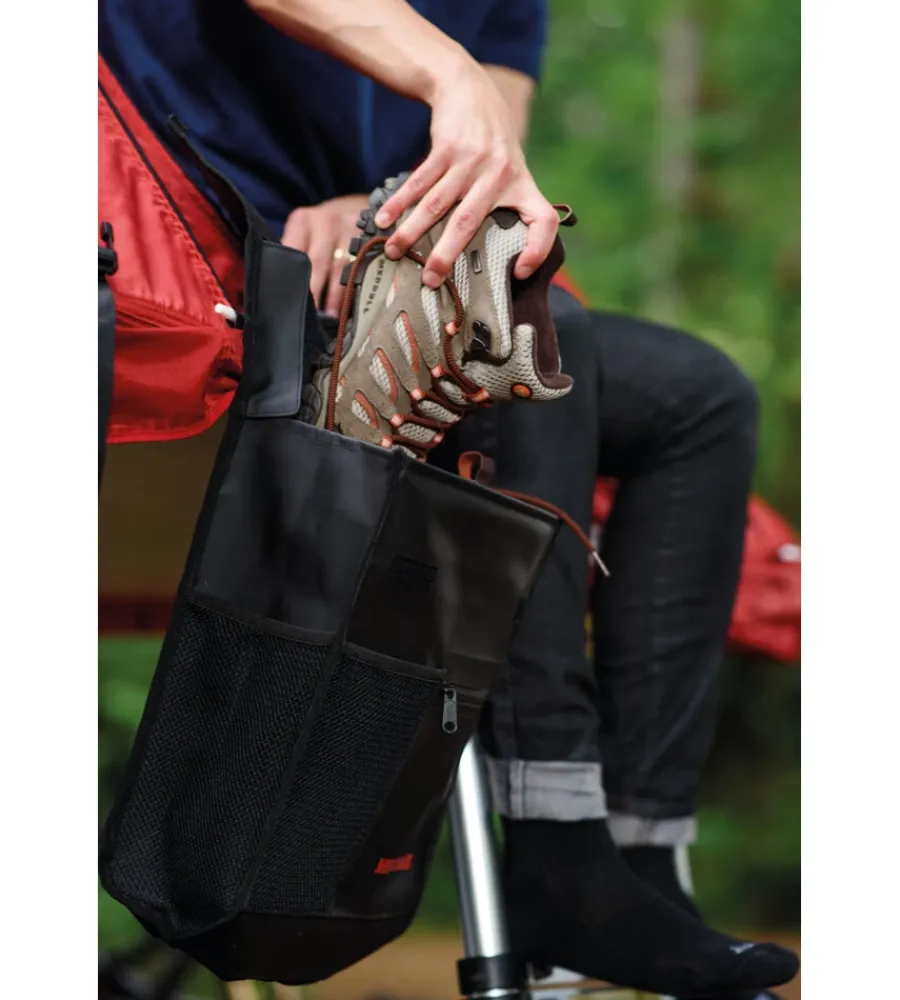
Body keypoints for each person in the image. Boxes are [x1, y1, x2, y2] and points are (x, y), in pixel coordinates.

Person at [99, 0, 799, 996]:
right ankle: (557, 848)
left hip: (371, 268)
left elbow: (483, 148)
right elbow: (466, 97)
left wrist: (385, 197)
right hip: (194, 241)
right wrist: (446, 72)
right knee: (518, 340)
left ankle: (642, 861)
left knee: (701, 397)